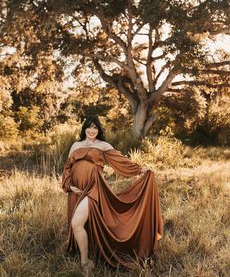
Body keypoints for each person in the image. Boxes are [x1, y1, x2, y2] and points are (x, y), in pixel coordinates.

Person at [62, 115, 163, 273]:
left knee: (76, 223)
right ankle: (91, 255)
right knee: (83, 225)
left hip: (93, 188)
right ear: (84, 129)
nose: (92, 130)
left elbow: (121, 161)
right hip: (77, 190)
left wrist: (141, 170)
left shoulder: (103, 145)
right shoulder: (75, 145)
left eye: (95, 127)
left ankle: (85, 263)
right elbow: (67, 167)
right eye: (89, 126)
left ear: (99, 130)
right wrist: (69, 186)